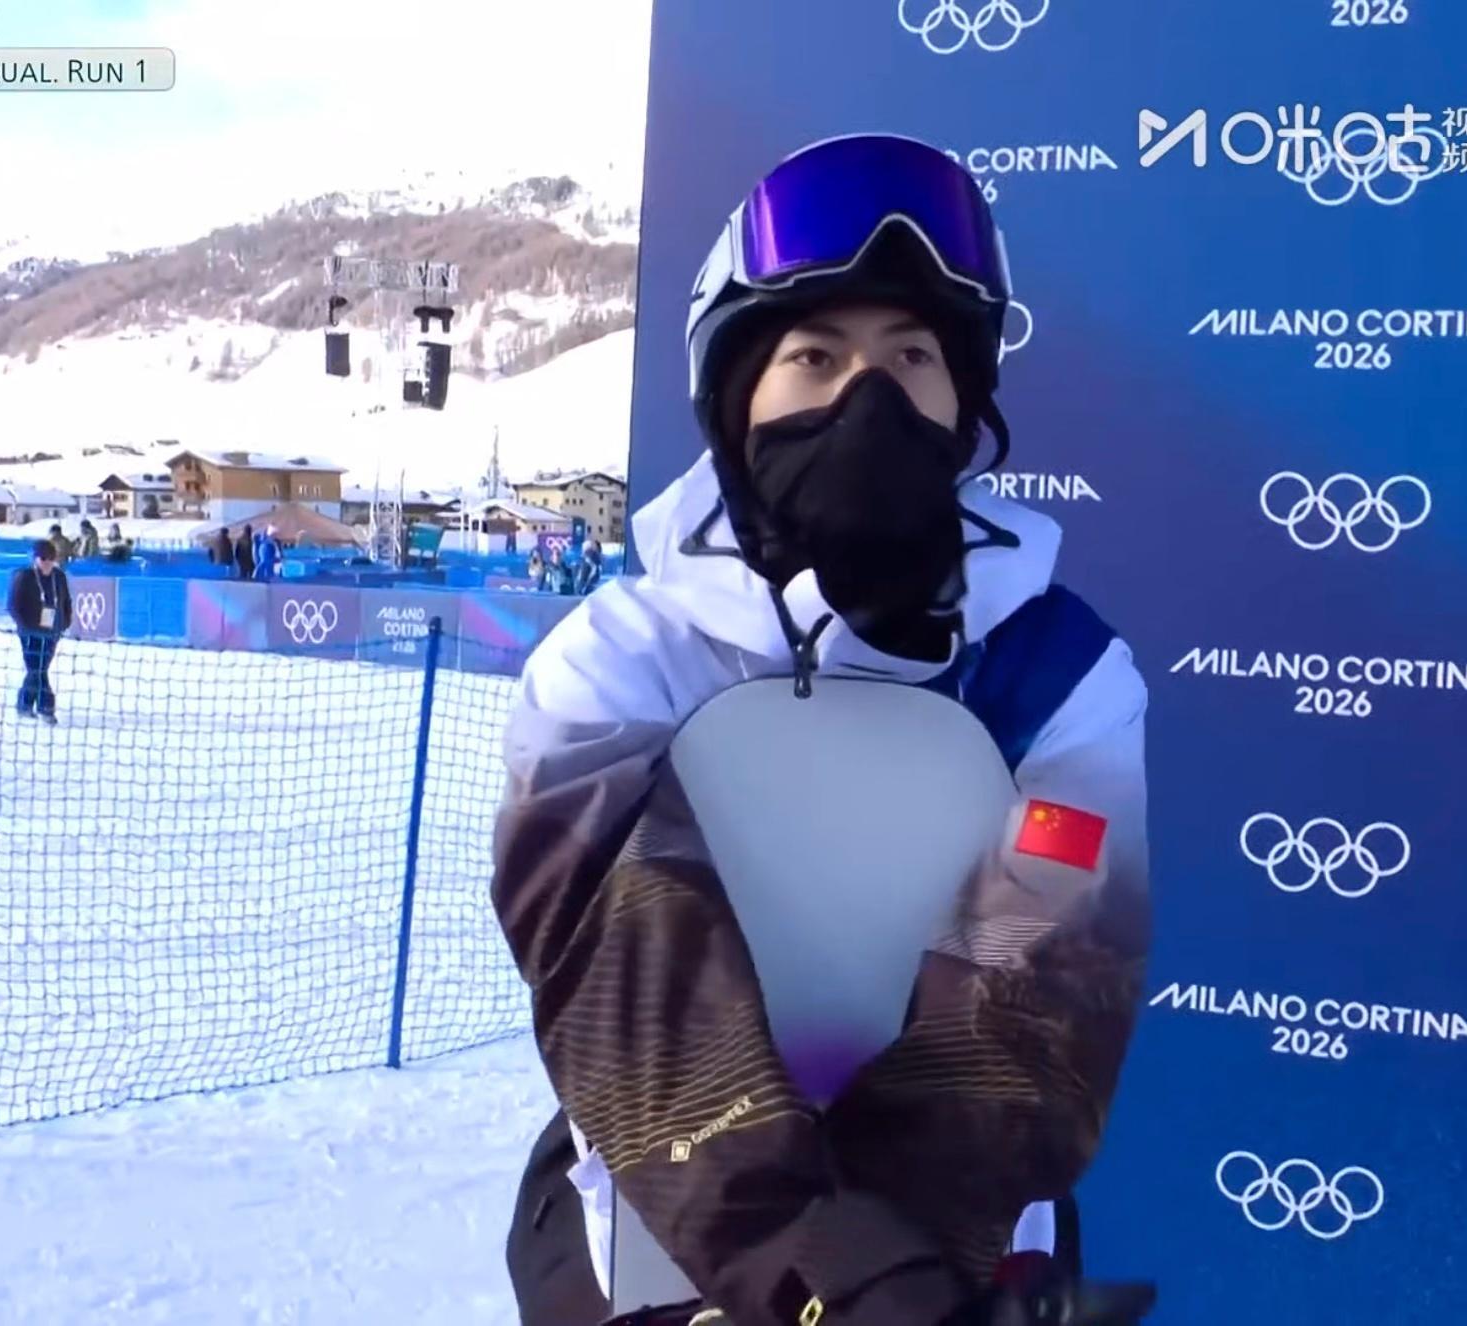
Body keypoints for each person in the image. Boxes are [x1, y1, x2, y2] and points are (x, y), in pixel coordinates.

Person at [491, 134, 1153, 1326]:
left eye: (912, 355)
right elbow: (625, 972)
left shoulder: (1060, 675)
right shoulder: (617, 663)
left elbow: (1043, 980)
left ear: (963, 400)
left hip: (962, 1244)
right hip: (665, 1220)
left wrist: (902, 1271)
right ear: (737, 395)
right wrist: (821, 1270)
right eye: (815, 355)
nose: (868, 397)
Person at [6, 538, 73, 724]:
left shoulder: (59, 577)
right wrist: (24, 626)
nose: (47, 563)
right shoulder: (25, 576)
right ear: (35, 559)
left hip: (51, 632)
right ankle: (45, 708)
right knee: (37, 669)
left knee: (39, 669)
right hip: (30, 631)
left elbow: (66, 601)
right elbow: (13, 605)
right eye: (43, 558)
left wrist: (65, 622)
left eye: (51, 559)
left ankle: (26, 705)